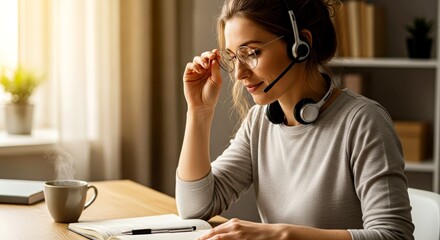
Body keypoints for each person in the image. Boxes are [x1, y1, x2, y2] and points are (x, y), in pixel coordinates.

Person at [176, 0, 414, 239]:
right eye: (233, 57)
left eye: (252, 53)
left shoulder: (363, 122)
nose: (239, 74)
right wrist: (199, 111)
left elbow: (394, 235)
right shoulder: (260, 121)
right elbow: (195, 207)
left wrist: (283, 235)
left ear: (301, 45)